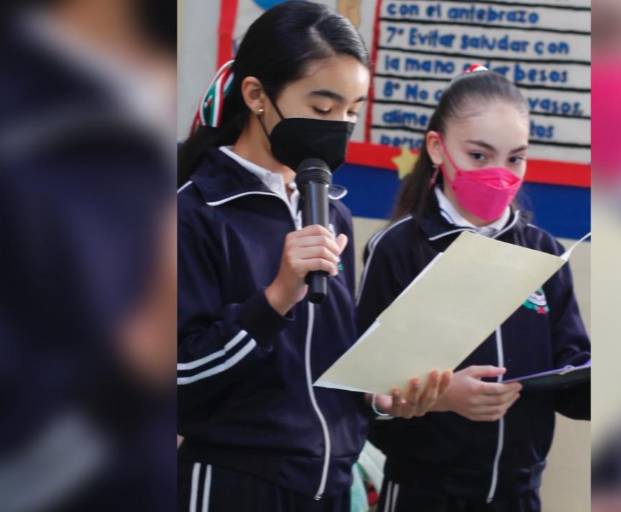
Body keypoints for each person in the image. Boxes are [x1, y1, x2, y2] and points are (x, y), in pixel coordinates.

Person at [177, 2, 449, 511]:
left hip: (328, 485)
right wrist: (276, 298)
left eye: (352, 112)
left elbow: (324, 366)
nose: (338, 126)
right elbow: (177, 379)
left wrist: (377, 399)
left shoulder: (332, 213)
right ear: (256, 95)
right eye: (323, 109)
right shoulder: (193, 212)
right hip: (234, 485)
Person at [357, 66, 591, 512]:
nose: (498, 174)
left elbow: (572, 378)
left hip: (517, 495)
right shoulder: (399, 248)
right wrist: (443, 399)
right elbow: (362, 388)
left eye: (515, 158)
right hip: (422, 494)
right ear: (437, 148)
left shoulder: (543, 251)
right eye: (479, 155)